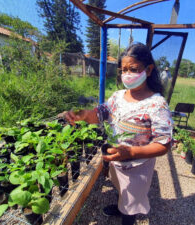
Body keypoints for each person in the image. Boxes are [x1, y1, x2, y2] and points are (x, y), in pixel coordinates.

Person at [58, 42, 173, 225]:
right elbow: (100, 113)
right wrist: (83, 115)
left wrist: (132, 152)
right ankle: (121, 207)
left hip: (138, 166)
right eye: (123, 70)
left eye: (133, 69)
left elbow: (163, 144)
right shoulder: (118, 96)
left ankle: (127, 217)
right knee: (121, 188)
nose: (127, 75)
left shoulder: (156, 104)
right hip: (117, 159)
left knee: (132, 199)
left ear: (149, 70)